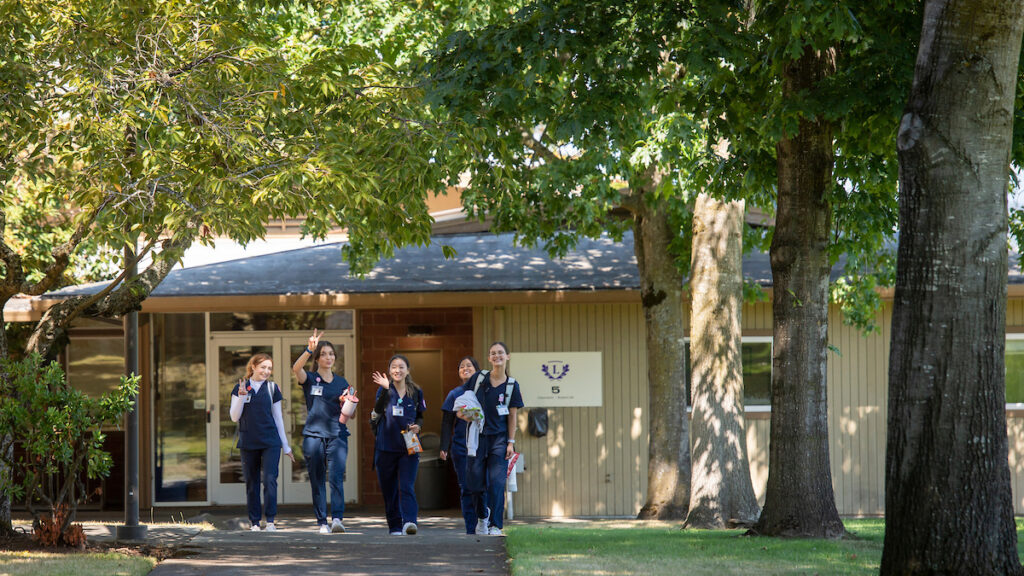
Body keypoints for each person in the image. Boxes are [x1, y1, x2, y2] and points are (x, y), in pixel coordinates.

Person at [292, 329, 355, 534]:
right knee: (317, 479)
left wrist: (348, 404)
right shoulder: (309, 378)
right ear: (318, 358)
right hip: (314, 435)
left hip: (337, 434)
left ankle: (337, 519)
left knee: (336, 478)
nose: (329, 357)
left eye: (331, 354)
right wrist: (309, 349)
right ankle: (322, 522)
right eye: (324, 354)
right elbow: (296, 368)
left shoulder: (342, 382)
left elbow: (349, 415)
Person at [462, 341, 524, 536]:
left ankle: (496, 525)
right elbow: (465, 403)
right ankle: (483, 517)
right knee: (474, 484)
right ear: (489, 358)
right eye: (493, 353)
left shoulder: (512, 385)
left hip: (499, 440)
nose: (497, 356)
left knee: (496, 484)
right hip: (477, 438)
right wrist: (465, 414)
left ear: (507, 357)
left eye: (500, 353)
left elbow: (513, 415)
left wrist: (511, 442)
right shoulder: (479, 379)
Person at [229, 353, 294, 531]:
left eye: (269, 368)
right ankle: (255, 522)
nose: (266, 371)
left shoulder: (272, 388)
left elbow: (278, 418)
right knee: (252, 482)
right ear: (253, 367)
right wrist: (241, 396)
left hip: (270, 442)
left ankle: (271, 521)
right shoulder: (240, 387)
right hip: (248, 442)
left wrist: (286, 446)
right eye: (263, 367)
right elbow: (234, 417)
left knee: (270, 480)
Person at [371, 354, 426, 535]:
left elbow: (420, 416)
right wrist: (387, 389)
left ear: (407, 370)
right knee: (390, 490)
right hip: (386, 447)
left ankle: (409, 522)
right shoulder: (383, 390)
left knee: (406, 486)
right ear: (389, 371)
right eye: (394, 367)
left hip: (408, 448)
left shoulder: (416, 392)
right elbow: (378, 410)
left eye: (401, 367)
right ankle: (394, 526)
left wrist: (418, 426)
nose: (397, 370)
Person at [440, 356, 483, 535]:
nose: (465, 368)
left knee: (481, 486)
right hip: (460, 447)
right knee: (466, 487)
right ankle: (471, 528)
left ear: (477, 370)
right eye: (461, 366)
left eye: (469, 366)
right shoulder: (454, 394)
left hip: (482, 445)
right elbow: (447, 422)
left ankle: (485, 522)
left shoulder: (485, 391)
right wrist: (444, 446)